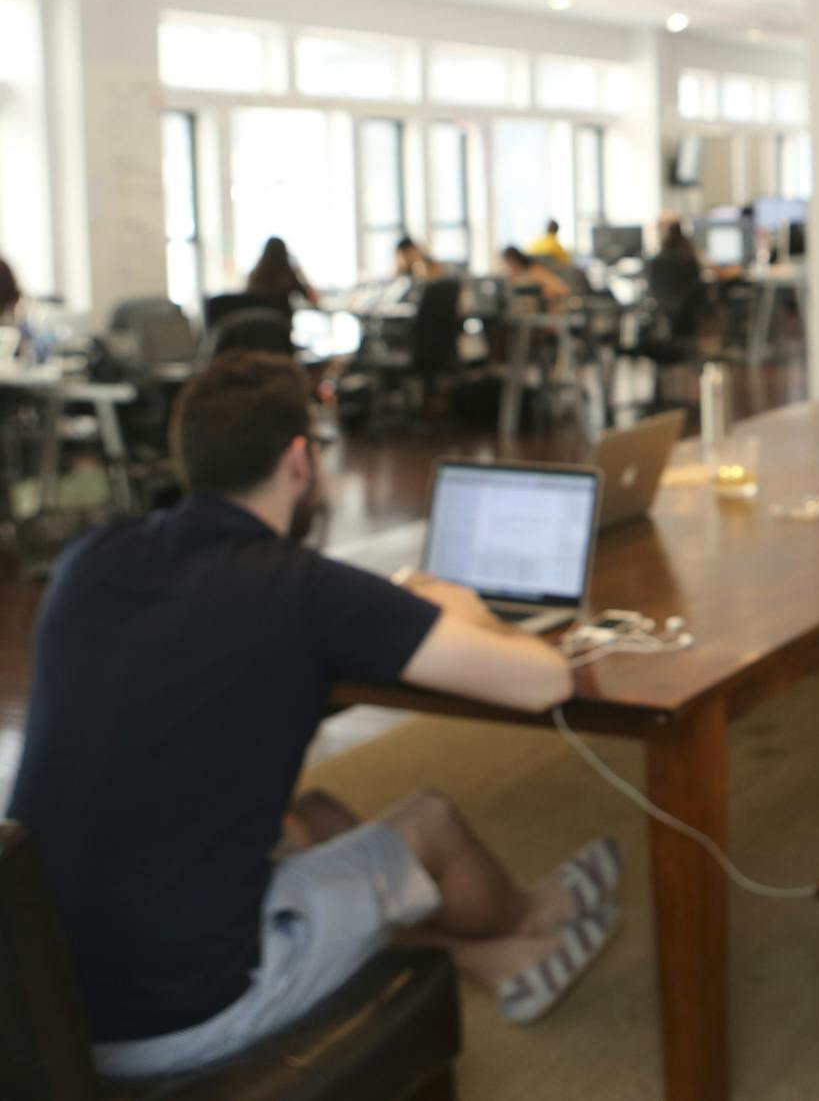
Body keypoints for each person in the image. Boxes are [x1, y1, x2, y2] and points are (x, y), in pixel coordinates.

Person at [5, 352, 622, 1082]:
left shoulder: (90, 559)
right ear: (300, 459)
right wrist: (469, 609)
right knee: (428, 824)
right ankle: (528, 919)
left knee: (318, 816)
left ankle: (497, 956)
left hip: (37, 988)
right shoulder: (304, 590)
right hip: (176, 1015)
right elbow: (544, 679)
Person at [244, 237, 320, 308]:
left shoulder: (254, 276)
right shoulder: (288, 276)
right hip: (280, 321)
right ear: (285, 254)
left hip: (256, 320)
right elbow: (315, 300)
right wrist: (300, 271)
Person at [499, 245, 572, 311]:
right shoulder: (512, 276)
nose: (508, 267)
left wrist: (547, 294)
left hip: (546, 312)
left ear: (516, 260)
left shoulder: (534, 271)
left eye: (509, 263)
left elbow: (562, 289)